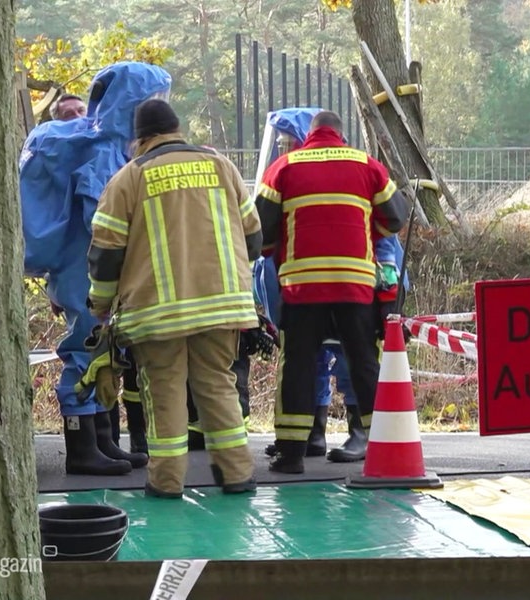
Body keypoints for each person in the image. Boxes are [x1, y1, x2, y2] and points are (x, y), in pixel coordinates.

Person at [87, 99, 261, 498]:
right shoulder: (222, 167)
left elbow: (106, 252)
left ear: (140, 138)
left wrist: (100, 304)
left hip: (157, 313)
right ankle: (237, 475)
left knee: (163, 391)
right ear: (177, 128)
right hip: (223, 306)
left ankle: (166, 483)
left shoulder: (129, 178)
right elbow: (253, 238)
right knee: (218, 386)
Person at [20, 62, 170, 476]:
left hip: (75, 263)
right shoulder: (103, 148)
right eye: (154, 98)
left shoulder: (91, 140)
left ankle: (102, 440)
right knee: (87, 349)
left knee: (102, 350)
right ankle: (83, 449)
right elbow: (100, 219)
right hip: (85, 266)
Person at [255, 110, 406, 474]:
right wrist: (368, 234)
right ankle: (381, 446)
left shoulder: (284, 168)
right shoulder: (367, 165)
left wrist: (274, 251)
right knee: (364, 362)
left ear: (309, 135)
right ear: (341, 134)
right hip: (354, 284)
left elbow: (262, 227)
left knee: (299, 365)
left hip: (302, 286)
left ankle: (292, 453)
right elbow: (396, 217)